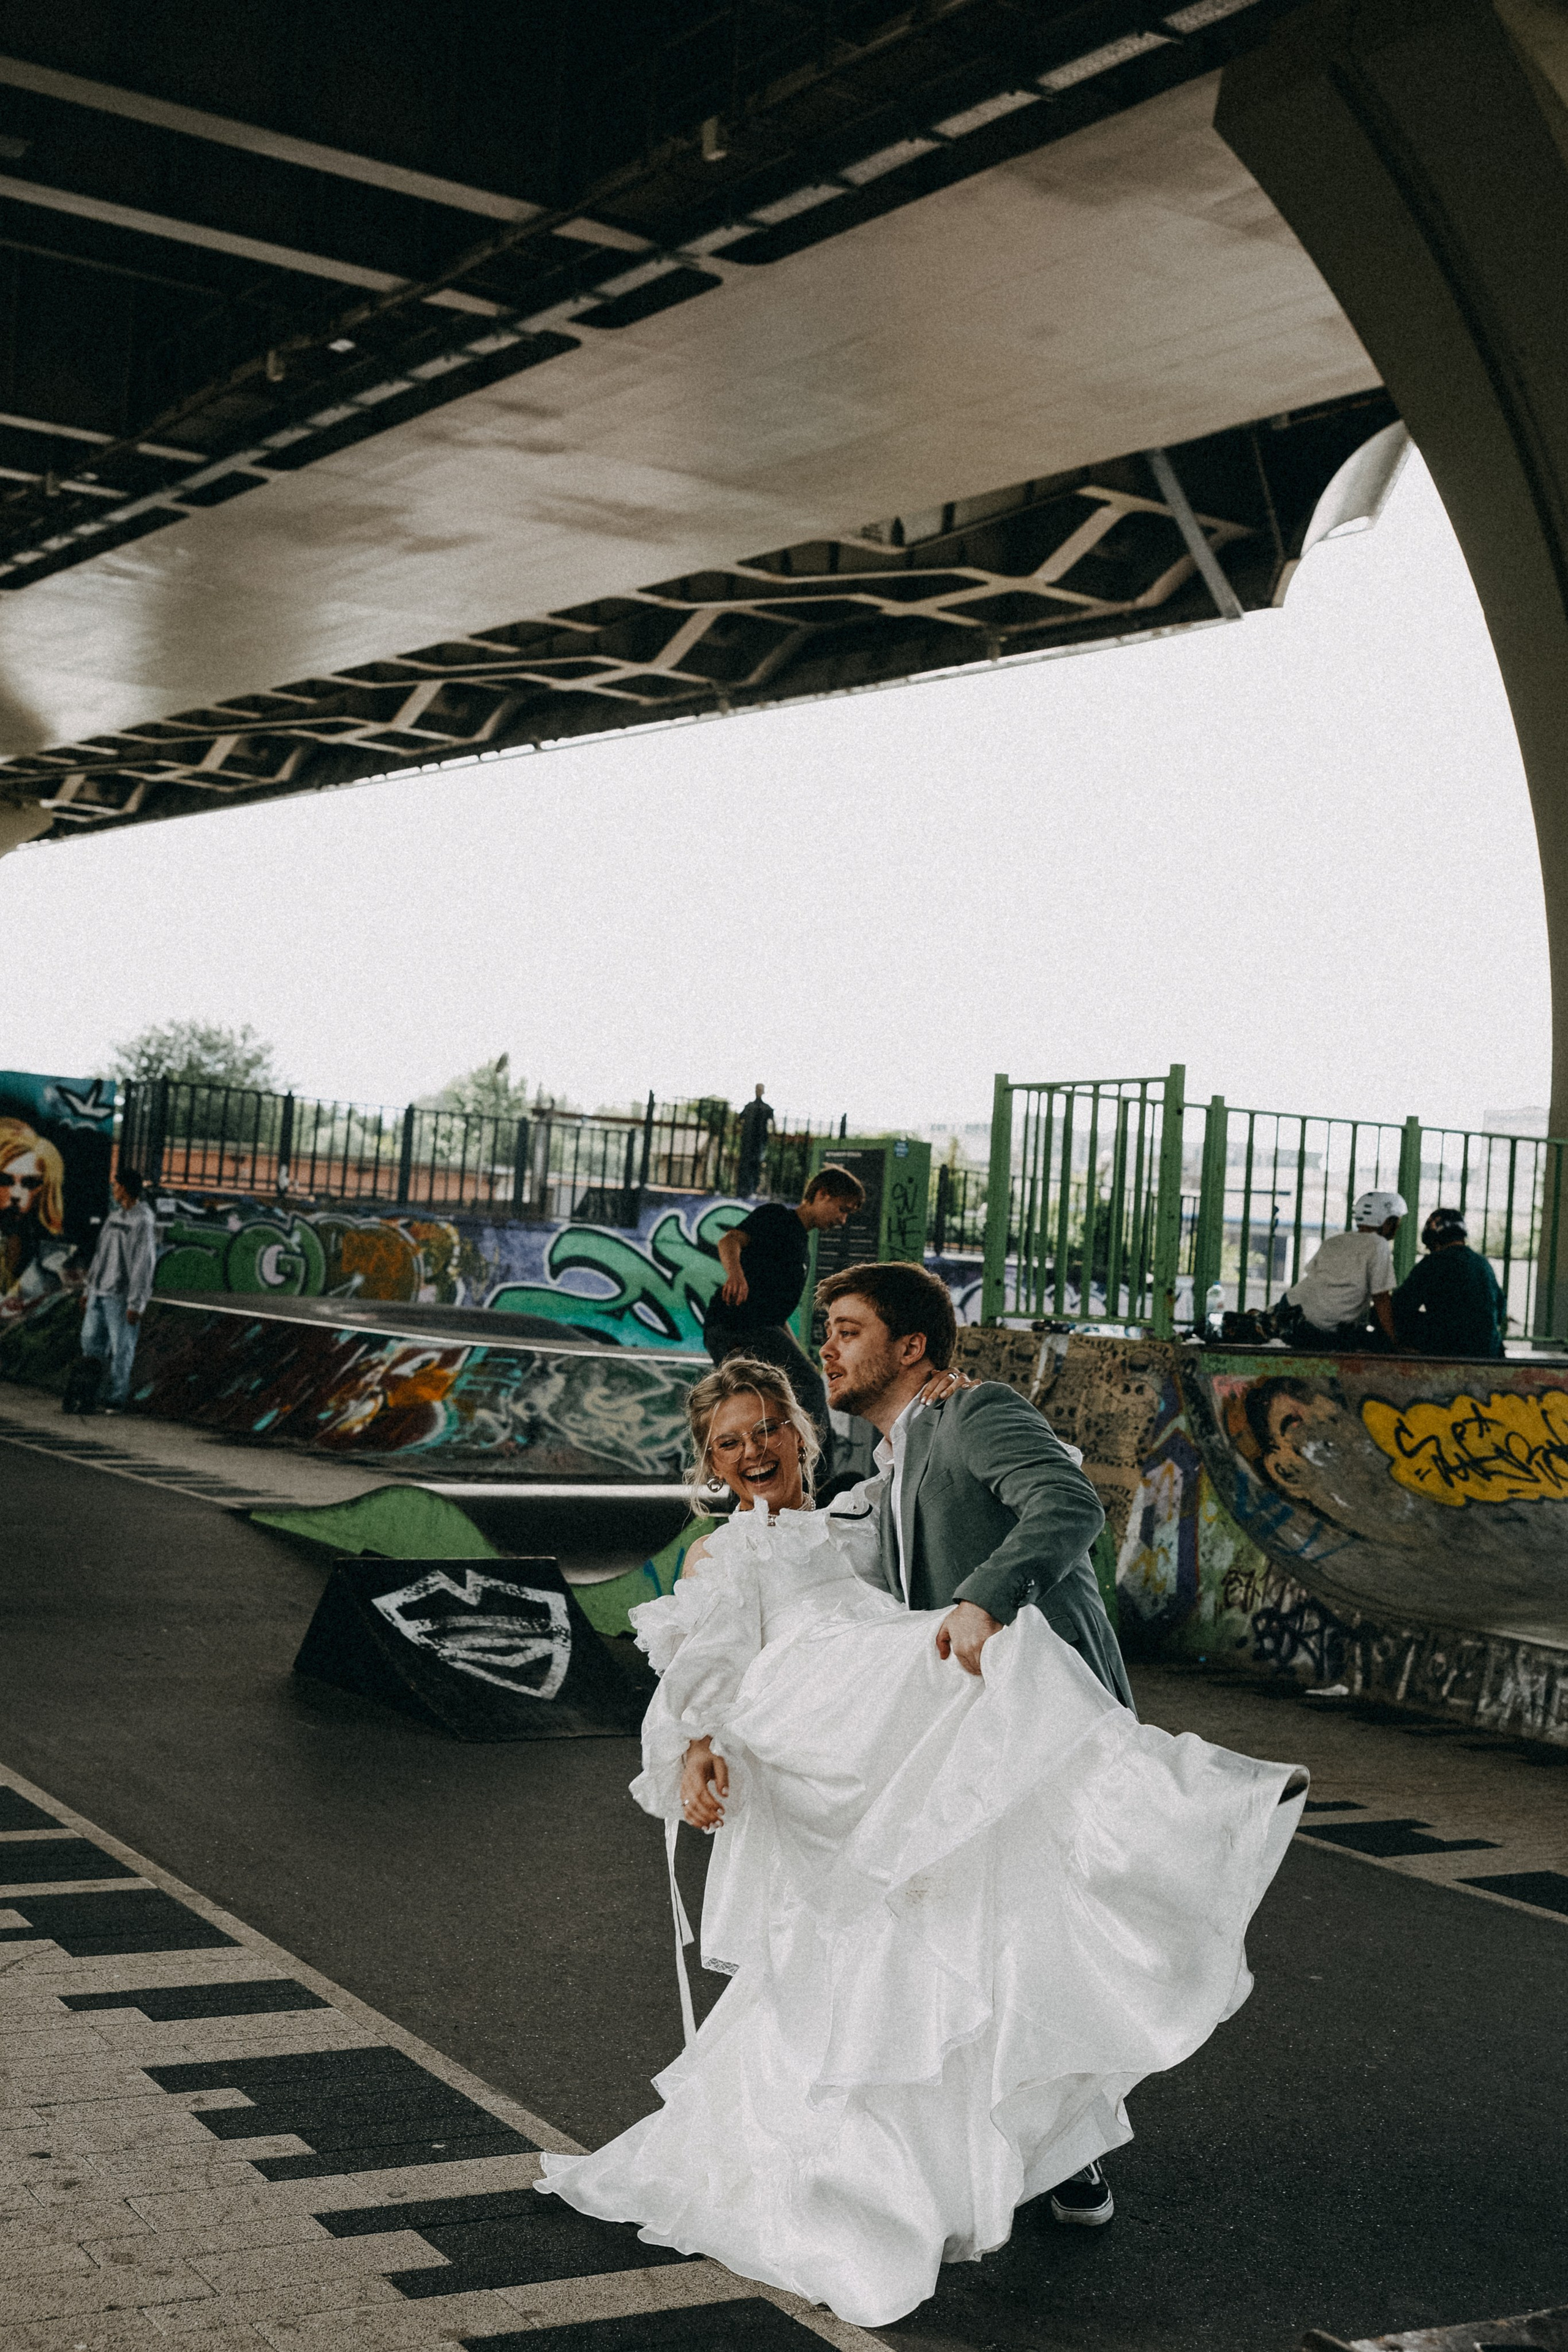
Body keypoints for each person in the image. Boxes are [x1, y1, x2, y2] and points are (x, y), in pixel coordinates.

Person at [536, 1355, 1308, 2327]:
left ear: (798, 1433)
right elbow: (706, 1662)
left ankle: (1025, 2133)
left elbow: (937, 1485)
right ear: (711, 1464)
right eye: (727, 1443)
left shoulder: (865, 1510)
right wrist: (697, 1750)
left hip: (883, 1723)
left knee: (938, 1922)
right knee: (994, 1678)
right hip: (816, 1719)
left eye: (764, 1429)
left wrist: (948, 1397)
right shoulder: (722, 1553)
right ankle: (1183, 1800)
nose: (750, 1452)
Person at [703, 1164, 864, 1461]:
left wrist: (802, 1356)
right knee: (808, 1386)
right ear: (821, 1195)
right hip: (736, 1327)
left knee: (770, 1404)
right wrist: (736, 1275)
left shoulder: (801, 1245)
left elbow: (776, 1319)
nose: (842, 1220)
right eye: (842, 1209)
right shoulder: (777, 1216)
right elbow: (729, 1241)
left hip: (760, 1329)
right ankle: (818, 1475)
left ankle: (766, 1481)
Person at [1275, 1189, 1405, 1350]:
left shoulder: (1336, 1241)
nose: (1398, 1227)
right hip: (1319, 1327)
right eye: (1397, 1222)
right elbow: (1381, 1297)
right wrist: (1394, 1342)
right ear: (1387, 1221)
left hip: (1290, 1310)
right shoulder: (1378, 1244)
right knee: (1374, 1345)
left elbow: (1314, 1275)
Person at [80, 1166, 157, 1411]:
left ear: (124, 1188)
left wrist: (136, 1303)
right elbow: (100, 1255)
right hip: (99, 1292)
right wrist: (88, 1289)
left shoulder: (142, 1221)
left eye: (116, 1186)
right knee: (90, 1343)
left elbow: (143, 1264)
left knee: (121, 1347)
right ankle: (91, 1392)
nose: (113, 1190)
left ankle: (116, 1397)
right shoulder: (114, 1218)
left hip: (120, 1296)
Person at [1391, 1208, 1506, 1358]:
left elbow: (1400, 1306)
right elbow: (1500, 1309)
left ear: (1434, 1242)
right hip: (1489, 1349)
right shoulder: (1482, 1263)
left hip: (1449, 1347)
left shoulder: (1433, 1263)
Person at [733, 1084, 775, 1196]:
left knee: (756, 1165)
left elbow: (772, 1123)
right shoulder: (749, 1107)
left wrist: (771, 1135)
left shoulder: (766, 1108)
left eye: (761, 1090)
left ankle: (754, 1188)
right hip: (748, 1142)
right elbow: (739, 1119)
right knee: (746, 1165)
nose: (759, 1091)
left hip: (759, 1142)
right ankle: (744, 1189)